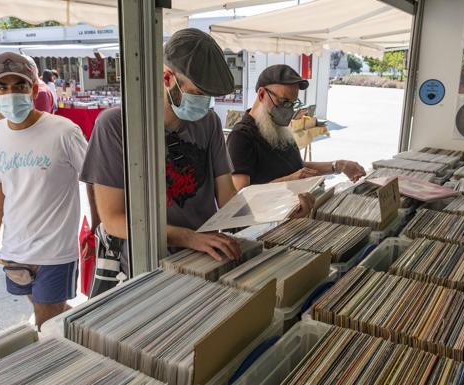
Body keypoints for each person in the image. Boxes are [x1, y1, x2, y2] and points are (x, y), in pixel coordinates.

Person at [80, 29, 312, 291]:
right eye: (198, 93)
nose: (204, 103)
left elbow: (228, 200)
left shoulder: (209, 122)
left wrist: (280, 209)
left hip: (203, 259)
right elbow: (112, 219)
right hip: (145, 266)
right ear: (167, 78)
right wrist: (187, 237)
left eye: (209, 96)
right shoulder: (115, 125)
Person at [0, 52, 87, 330]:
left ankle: (60, 369)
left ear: (34, 89)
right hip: (16, 250)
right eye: (3, 86)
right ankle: (87, 330)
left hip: (55, 250)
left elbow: (94, 178)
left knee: (45, 324)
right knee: (45, 307)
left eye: (20, 86)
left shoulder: (64, 131)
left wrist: (97, 224)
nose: (10, 93)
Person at [227, 64, 366, 191]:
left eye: (292, 104)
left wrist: (339, 165)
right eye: (283, 101)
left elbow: (297, 166)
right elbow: (241, 194)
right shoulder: (241, 136)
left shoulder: (277, 127)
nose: (288, 109)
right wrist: (289, 180)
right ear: (262, 94)